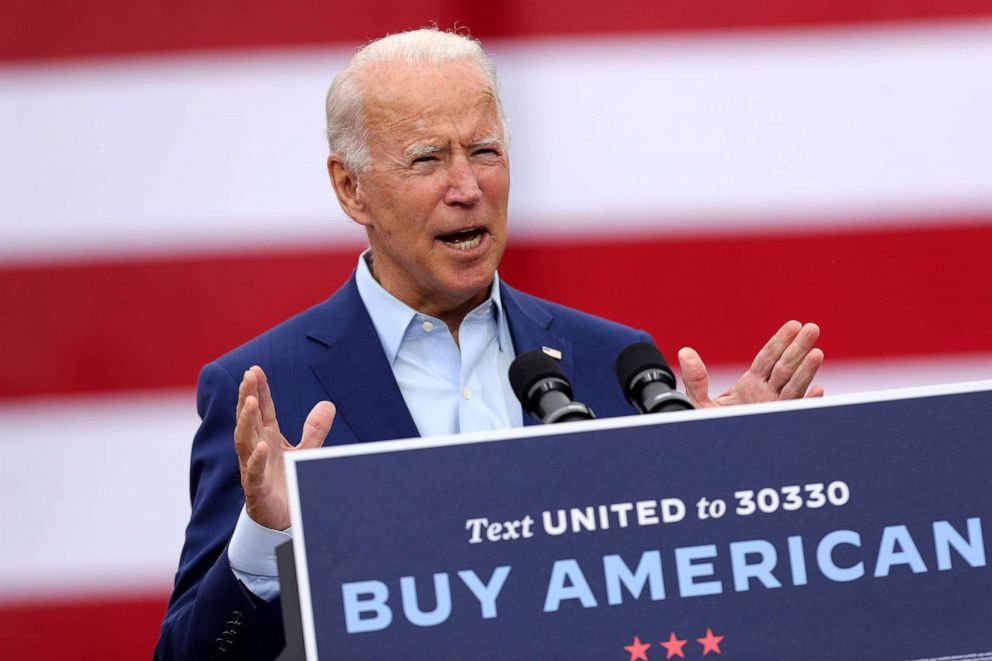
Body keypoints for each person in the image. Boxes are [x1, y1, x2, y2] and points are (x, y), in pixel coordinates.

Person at [155, 28, 823, 660]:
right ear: (350, 187)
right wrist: (265, 539)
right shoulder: (267, 388)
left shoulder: (616, 365)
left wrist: (729, 491)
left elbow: (678, 612)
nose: (467, 189)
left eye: (484, 151)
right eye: (427, 159)